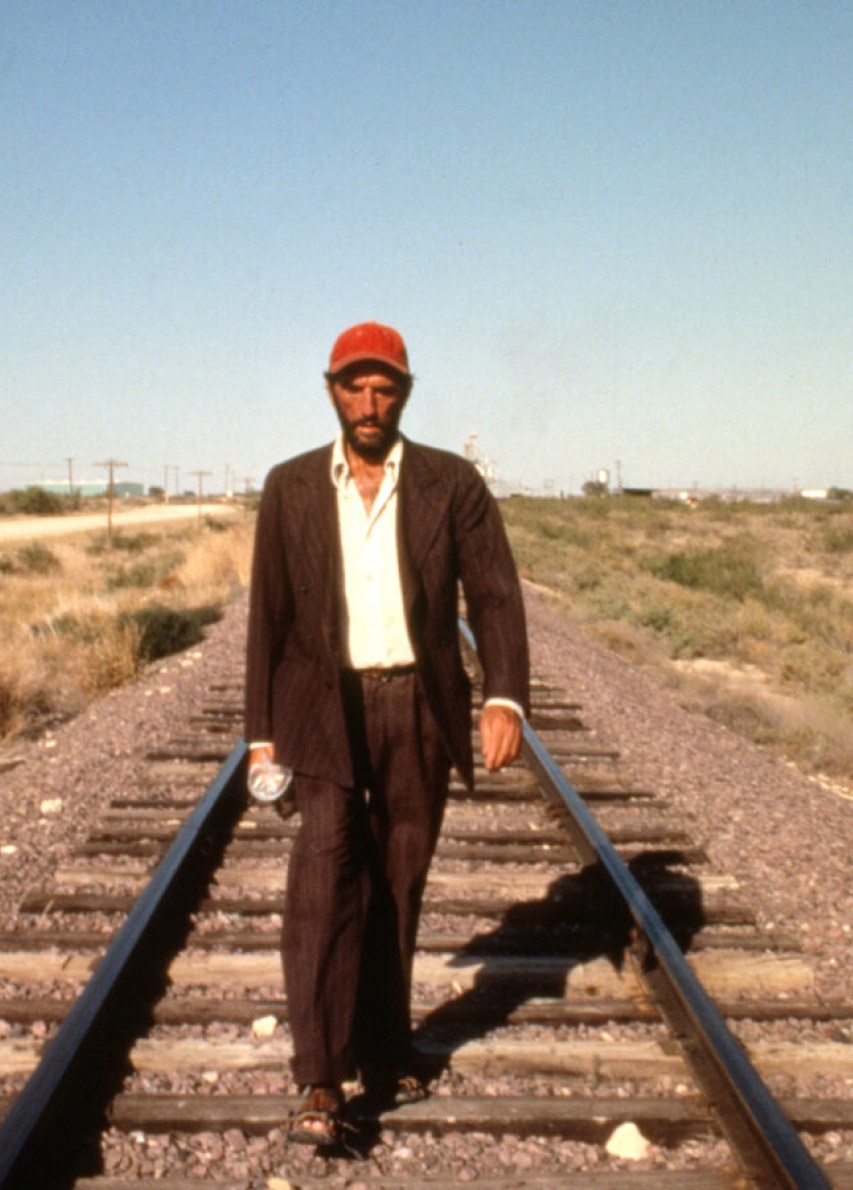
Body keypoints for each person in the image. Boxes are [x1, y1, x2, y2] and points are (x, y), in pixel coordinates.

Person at [244, 320, 531, 1147]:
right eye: (353, 387)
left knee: (400, 878)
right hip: (319, 709)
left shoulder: (450, 482)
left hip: (416, 707)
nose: (368, 404)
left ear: (403, 394)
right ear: (330, 390)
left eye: (384, 389)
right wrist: (260, 736)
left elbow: (496, 594)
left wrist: (503, 697)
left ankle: (381, 1042)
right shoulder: (290, 485)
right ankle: (319, 1080)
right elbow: (267, 614)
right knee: (324, 875)